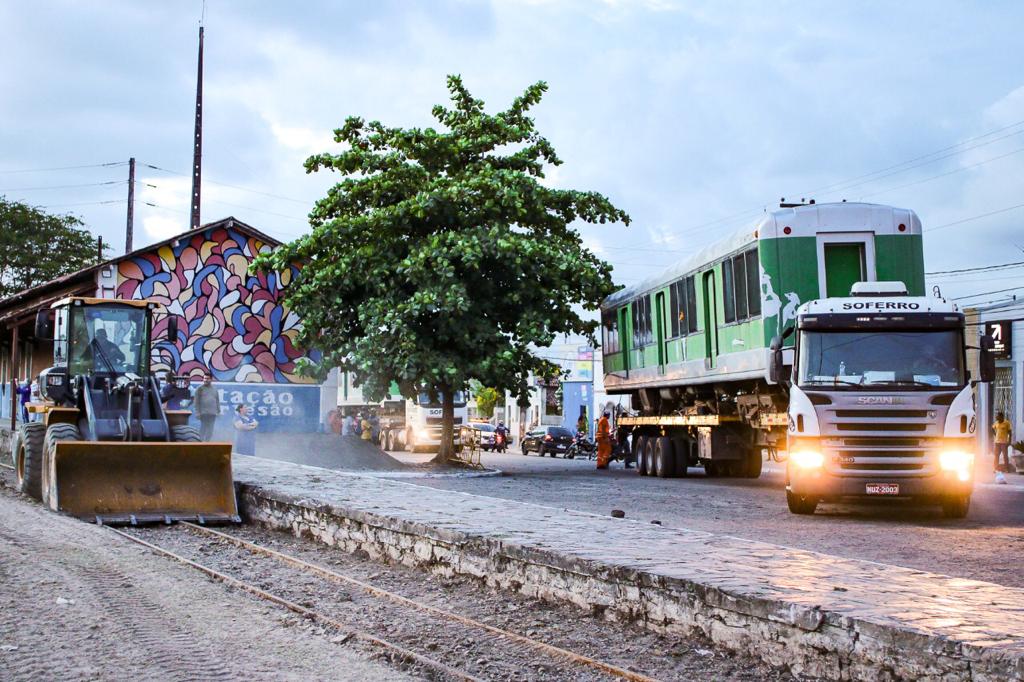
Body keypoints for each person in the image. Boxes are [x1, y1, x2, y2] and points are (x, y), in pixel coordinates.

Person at [193, 373, 221, 441]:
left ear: (211, 379)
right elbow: (196, 402)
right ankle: (200, 443)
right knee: (203, 428)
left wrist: (218, 411)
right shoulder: (199, 389)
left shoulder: (214, 389)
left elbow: (217, 400)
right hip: (204, 413)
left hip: (212, 413)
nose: (205, 380)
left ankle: (207, 443)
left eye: (207, 378)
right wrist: (197, 413)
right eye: (204, 378)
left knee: (210, 430)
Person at [992, 411, 1012, 484]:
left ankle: (1006, 469)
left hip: (1004, 442)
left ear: (1002, 417)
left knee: (1005, 456)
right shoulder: (996, 423)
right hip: (997, 442)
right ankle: (995, 468)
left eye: (998, 417)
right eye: (997, 417)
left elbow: (1010, 432)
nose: (997, 418)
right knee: (996, 455)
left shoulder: (1007, 423)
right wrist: (995, 434)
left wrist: (1009, 441)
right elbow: (992, 428)